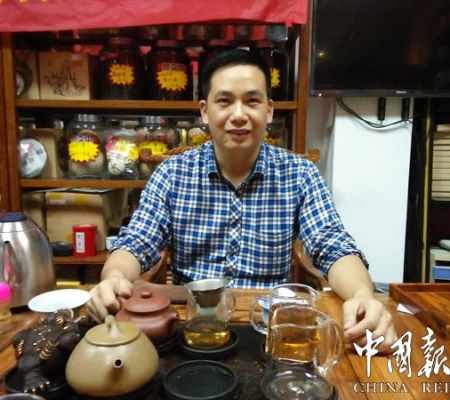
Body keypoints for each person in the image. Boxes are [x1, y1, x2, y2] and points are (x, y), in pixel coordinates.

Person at [88, 49, 397, 352]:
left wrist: (362, 294)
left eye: (252, 101)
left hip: (272, 326)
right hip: (194, 324)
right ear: (204, 111)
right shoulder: (172, 173)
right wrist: (114, 278)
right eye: (224, 101)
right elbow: (137, 241)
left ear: (269, 110)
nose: (238, 115)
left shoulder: (299, 173)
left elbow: (332, 244)